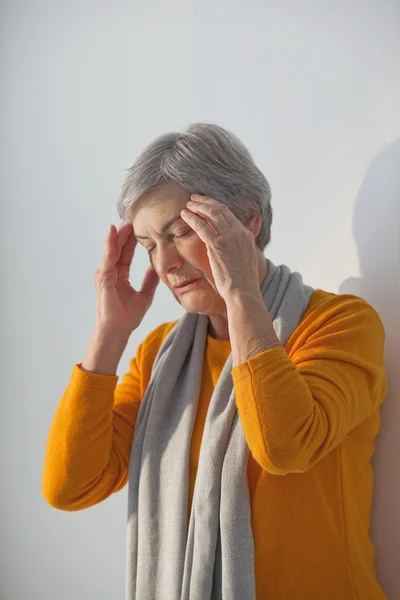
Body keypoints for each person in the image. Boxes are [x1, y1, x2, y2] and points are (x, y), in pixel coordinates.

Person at [42, 123, 388, 600]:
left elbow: (284, 447)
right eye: (147, 246)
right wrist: (109, 334)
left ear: (248, 222)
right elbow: (71, 486)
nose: (163, 264)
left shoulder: (340, 324)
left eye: (180, 233)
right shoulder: (158, 355)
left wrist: (241, 292)